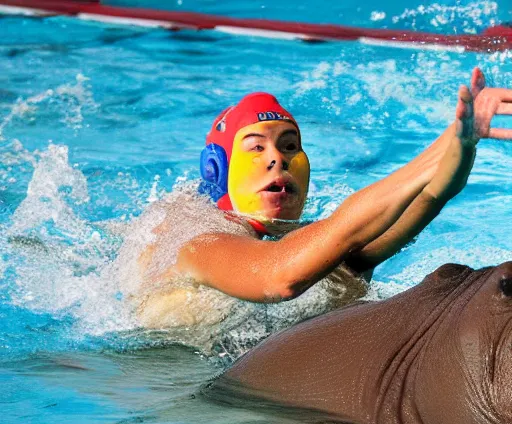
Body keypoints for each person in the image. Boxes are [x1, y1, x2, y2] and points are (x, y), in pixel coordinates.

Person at [116, 67, 512, 348]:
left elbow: (429, 197)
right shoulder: (193, 237)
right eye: (256, 147)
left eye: (290, 146)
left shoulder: (308, 244)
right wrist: (437, 150)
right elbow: (279, 277)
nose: (278, 159)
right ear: (216, 169)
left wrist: (462, 143)